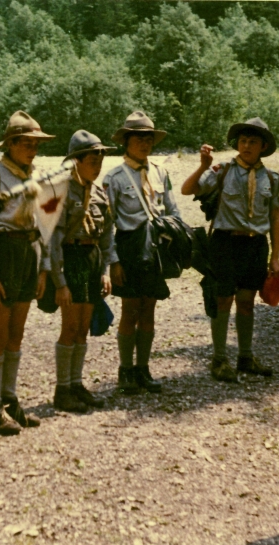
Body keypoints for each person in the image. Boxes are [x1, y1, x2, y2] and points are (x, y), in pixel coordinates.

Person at [0, 111, 54, 435]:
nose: (33, 149)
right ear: (11, 144)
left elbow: (45, 222)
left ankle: (10, 399)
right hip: (4, 252)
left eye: (36, 144)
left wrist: (44, 266)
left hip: (28, 253)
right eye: (26, 143)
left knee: (17, 331)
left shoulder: (38, 177)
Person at [181, 118, 279, 382]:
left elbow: (274, 217)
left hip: (256, 245)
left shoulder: (271, 177)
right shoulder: (222, 171)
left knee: (247, 302)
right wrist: (202, 166)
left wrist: (275, 257)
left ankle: (245, 357)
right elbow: (186, 189)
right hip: (225, 243)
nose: (246, 146)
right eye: (243, 141)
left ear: (263, 146)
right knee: (222, 299)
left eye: (252, 142)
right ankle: (219, 359)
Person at [104, 111, 181, 395]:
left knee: (149, 307)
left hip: (156, 248)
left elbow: (172, 210)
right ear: (126, 141)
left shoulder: (161, 172)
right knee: (129, 309)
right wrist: (114, 261)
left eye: (148, 138)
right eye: (138, 138)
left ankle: (143, 369)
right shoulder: (113, 178)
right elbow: (108, 224)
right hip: (129, 248)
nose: (144, 143)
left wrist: (176, 240)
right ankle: (125, 370)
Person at [50, 130, 116, 413]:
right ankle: (62, 389)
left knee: (84, 328)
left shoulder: (99, 192)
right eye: (92, 159)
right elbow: (52, 237)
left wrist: (104, 270)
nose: (98, 165)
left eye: (100, 159)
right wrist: (59, 279)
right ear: (76, 161)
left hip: (91, 258)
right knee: (70, 327)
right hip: (71, 258)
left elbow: (106, 234)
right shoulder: (61, 190)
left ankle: (77, 384)